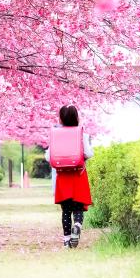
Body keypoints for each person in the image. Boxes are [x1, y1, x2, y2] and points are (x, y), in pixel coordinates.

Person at [46, 105, 93, 248]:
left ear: (60, 118)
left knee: (66, 210)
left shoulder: (56, 135)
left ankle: (66, 241)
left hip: (63, 178)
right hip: (78, 176)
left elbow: (49, 156)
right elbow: (89, 154)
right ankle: (77, 225)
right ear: (77, 117)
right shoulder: (82, 134)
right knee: (78, 207)